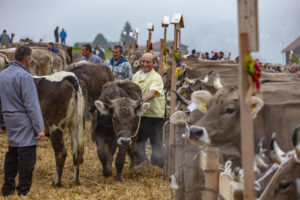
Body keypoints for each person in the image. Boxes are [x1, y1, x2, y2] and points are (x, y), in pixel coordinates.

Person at [0, 45, 45, 196]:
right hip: (23, 121)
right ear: (28, 59)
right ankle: (23, 192)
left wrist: (2, 122)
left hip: (9, 119)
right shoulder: (25, 76)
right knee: (27, 156)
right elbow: (32, 105)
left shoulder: (3, 75)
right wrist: (39, 128)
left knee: (12, 152)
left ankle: (7, 189)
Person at [132, 53, 165, 168]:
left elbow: (153, 92)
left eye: (148, 62)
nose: (145, 64)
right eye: (143, 61)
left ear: (153, 63)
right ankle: (144, 165)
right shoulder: (136, 76)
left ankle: (157, 168)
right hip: (141, 115)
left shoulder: (156, 77)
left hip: (154, 116)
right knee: (138, 143)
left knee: (156, 143)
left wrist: (142, 100)